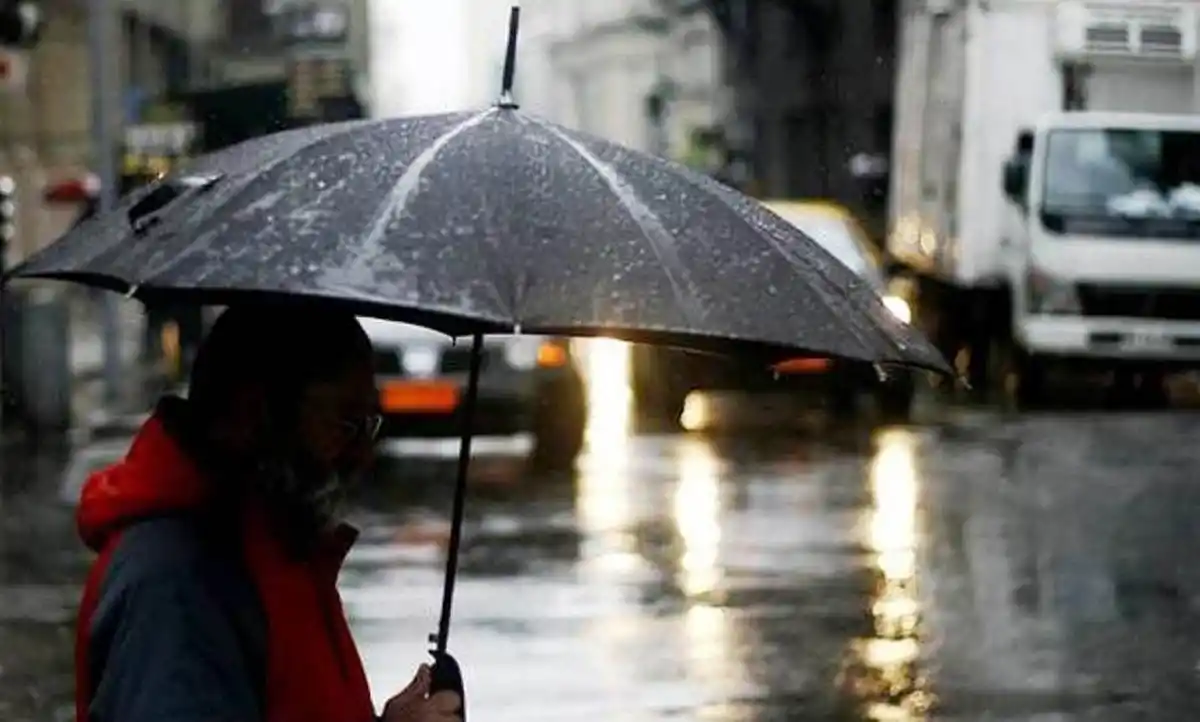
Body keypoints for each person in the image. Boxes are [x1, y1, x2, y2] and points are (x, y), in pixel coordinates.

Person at [73, 303, 463, 722]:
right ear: (254, 411)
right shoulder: (177, 584)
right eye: (345, 423)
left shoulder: (271, 545)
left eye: (371, 425)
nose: (363, 455)